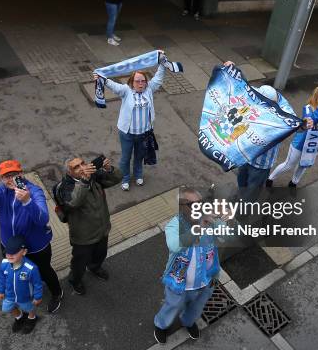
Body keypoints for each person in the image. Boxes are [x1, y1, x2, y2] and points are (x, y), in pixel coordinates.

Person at [0, 160, 63, 313]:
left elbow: (43, 219)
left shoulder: (34, 191)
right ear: (1, 178)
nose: (10, 179)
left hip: (36, 247)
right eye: (6, 176)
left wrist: (27, 201)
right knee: (17, 269)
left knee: (45, 271)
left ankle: (57, 293)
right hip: (10, 246)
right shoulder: (0, 191)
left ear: (21, 174)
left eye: (14, 174)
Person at [153, 187, 223, 344]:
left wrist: (221, 219)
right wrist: (199, 228)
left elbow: (227, 236)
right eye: (192, 204)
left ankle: (188, 322)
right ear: (181, 206)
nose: (198, 207)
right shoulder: (174, 225)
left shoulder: (209, 221)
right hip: (179, 282)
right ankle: (161, 325)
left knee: (198, 306)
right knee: (172, 305)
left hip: (206, 279)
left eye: (200, 203)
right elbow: (174, 245)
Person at [94, 51, 165, 191]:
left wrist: (162, 62)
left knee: (139, 157)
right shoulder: (126, 91)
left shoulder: (149, 89)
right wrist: (101, 78)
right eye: (137, 81)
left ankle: (138, 175)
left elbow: (159, 77)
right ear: (132, 82)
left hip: (144, 133)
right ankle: (124, 178)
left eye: (143, 81)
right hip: (127, 133)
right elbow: (112, 85)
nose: (140, 83)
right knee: (125, 158)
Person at [54, 155, 122, 295]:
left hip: (102, 229)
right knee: (79, 263)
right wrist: (84, 181)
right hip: (83, 236)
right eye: (76, 167)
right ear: (69, 172)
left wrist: (109, 170)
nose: (81, 168)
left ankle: (95, 267)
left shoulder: (94, 176)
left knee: (100, 254)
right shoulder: (64, 187)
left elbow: (117, 179)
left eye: (82, 163)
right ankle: (75, 280)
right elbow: (74, 202)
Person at [266, 84, 318, 188]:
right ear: (317, 96)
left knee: (303, 166)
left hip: (316, 146)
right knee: (288, 165)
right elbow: (310, 122)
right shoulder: (308, 108)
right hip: (300, 145)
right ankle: (270, 179)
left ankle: (293, 183)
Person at [0, 235, 43, 334]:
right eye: (8, 252)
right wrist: (1, 290)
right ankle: (19, 317)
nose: (9, 255)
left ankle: (32, 318)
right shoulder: (4, 264)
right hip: (9, 295)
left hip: (25, 297)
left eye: (13, 253)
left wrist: (38, 297)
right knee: (8, 308)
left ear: (24, 252)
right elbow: (1, 278)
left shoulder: (31, 268)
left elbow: (37, 284)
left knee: (30, 308)